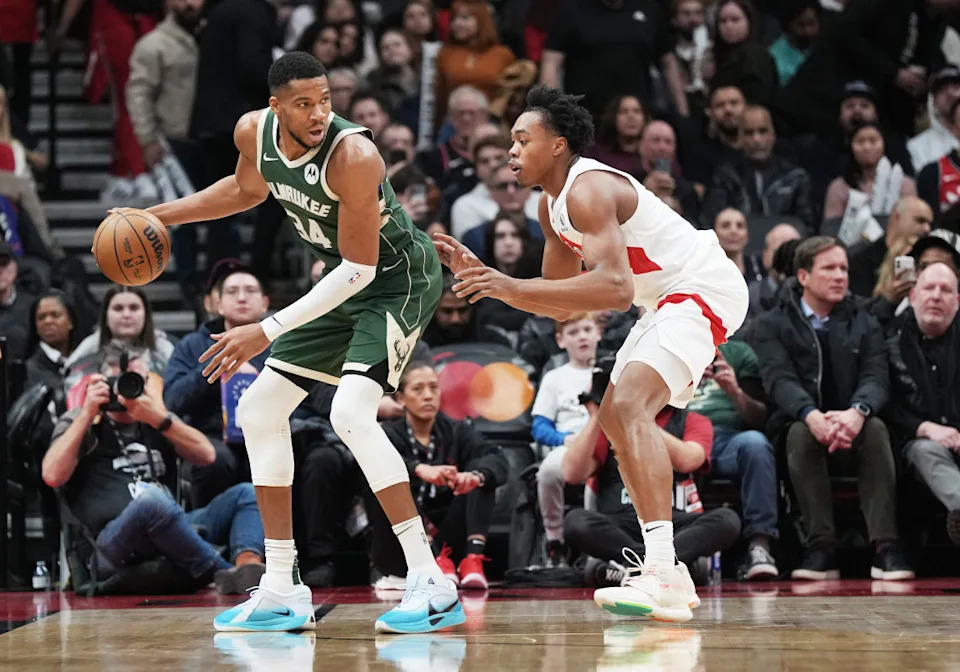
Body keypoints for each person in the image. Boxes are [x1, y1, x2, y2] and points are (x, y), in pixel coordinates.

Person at [122, 52, 459, 634]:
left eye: (326, 100)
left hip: (396, 279)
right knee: (258, 409)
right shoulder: (254, 131)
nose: (319, 113)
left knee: (352, 412)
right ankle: (281, 585)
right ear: (275, 106)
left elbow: (361, 266)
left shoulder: (354, 154)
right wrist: (154, 216)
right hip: (341, 277)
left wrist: (266, 329)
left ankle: (431, 579)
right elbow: (243, 189)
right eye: (304, 103)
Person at [434, 85, 749, 622]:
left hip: (701, 287)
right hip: (665, 301)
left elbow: (614, 291)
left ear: (557, 145)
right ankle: (665, 569)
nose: (511, 150)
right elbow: (560, 305)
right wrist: (491, 283)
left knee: (628, 408)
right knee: (614, 416)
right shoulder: (549, 204)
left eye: (522, 138)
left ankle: (663, 569)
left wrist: (506, 285)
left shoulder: (588, 189)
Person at [42, 344, 267, 595]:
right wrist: (87, 413)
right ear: (103, 382)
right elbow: (52, 475)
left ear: (148, 383)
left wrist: (158, 419)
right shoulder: (82, 419)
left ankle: (248, 565)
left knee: (246, 494)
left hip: (170, 531)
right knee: (150, 501)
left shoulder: (158, 419)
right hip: (108, 545)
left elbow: (207, 455)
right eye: (119, 381)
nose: (126, 391)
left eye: (135, 381)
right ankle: (223, 573)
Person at [753, 236, 912, 581]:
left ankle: (886, 546)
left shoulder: (865, 318)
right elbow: (779, 380)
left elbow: (876, 375)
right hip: (800, 424)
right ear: (804, 276)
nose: (840, 275)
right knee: (798, 433)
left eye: (843, 268)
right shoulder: (773, 323)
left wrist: (858, 411)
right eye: (829, 268)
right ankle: (820, 546)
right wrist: (810, 415)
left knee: (876, 429)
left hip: (855, 423)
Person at [369, 362, 509, 590]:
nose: (428, 396)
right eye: (418, 389)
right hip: (402, 545)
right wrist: (418, 469)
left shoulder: (456, 430)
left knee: (482, 472)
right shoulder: (386, 433)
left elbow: (496, 458)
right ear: (401, 398)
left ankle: (472, 561)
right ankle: (433, 561)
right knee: (391, 478)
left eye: (434, 388)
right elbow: (368, 464)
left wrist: (473, 476)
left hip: (448, 540)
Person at [163, 264, 271, 508]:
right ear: (218, 304)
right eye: (232, 292)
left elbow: (307, 400)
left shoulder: (283, 344)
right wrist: (218, 367)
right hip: (212, 437)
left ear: (265, 303)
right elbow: (172, 401)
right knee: (215, 460)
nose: (242, 297)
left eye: (250, 291)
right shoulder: (192, 345)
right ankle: (209, 538)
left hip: (272, 435)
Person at [888, 263, 960, 544]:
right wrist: (923, 427)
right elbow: (886, 406)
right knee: (926, 451)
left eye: (945, 290)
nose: (936, 296)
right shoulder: (890, 340)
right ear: (914, 297)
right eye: (929, 288)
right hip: (915, 448)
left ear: (957, 302)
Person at [532, 313, 602, 567]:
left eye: (586, 329)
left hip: (607, 445)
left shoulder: (613, 374)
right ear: (561, 340)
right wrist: (563, 438)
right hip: (570, 445)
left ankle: (597, 544)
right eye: (573, 332)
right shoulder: (555, 378)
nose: (582, 336)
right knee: (548, 471)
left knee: (603, 473)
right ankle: (555, 539)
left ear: (598, 333)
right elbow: (539, 427)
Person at [701, 105, 814, 230]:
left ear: (773, 135)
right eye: (749, 133)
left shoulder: (794, 178)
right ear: (740, 138)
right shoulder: (726, 176)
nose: (756, 139)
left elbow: (806, 226)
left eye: (763, 131)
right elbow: (709, 222)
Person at [847, 196, 932, 297]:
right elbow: (860, 306)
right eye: (920, 220)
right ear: (897, 217)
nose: (927, 228)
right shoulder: (861, 259)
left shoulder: (929, 258)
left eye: (929, 223)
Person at [908, 66, 960, 173]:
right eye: (942, 90)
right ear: (933, 101)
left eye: (955, 86)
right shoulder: (918, 146)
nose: (950, 93)